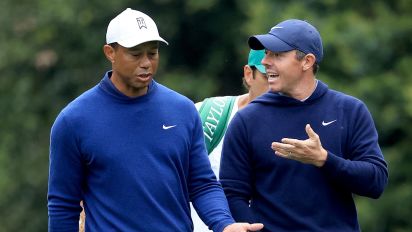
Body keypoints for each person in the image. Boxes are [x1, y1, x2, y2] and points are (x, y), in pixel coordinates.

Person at [47, 8, 264, 232]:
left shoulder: (183, 110)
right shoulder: (73, 121)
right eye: (135, 54)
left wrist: (224, 224)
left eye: (153, 53)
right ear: (110, 52)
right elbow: (63, 205)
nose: (146, 63)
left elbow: (202, 184)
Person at [219, 19, 389, 231]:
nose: (265, 61)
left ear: (307, 61)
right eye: (266, 53)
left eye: (277, 55)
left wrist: (324, 160)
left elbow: (376, 182)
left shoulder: (350, 110)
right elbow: (231, 194)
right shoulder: (246, 120)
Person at [191, 49, 268, 232]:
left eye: (280, 77)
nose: (276, 85)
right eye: (269, 77)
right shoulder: (208, 113)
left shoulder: (297, 128)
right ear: (249, 75)